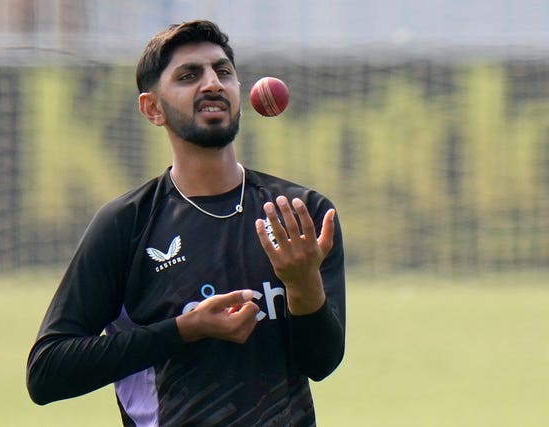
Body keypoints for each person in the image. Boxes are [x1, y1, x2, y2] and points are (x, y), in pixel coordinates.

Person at [26, 19, 346, 426]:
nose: (212, 83)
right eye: (189, 75)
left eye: (223, 71)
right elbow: (47, 373)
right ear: (152, 108)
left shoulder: (299, 213)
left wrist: (303, 285)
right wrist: (184, 328)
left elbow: (321, 363)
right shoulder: (127, 224)